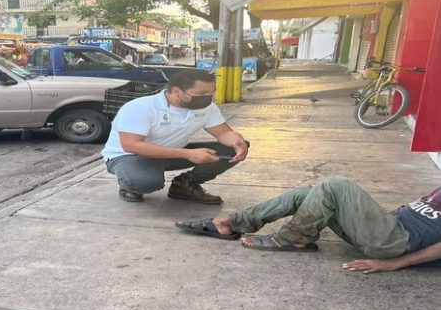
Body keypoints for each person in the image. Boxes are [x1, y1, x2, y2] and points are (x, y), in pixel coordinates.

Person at [176, 176, 441, 273]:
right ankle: (232, 223)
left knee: (335, 185)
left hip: (398, 242)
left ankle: (291, 237)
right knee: (310, 193)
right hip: (390, 228)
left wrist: (395, 263)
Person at [102, 71, 249, 203]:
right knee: (146, 182)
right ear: (176, 91)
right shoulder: (141, 107)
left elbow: (223, 132)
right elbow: (131, 145)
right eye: (202, 93)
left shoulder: (207, 108)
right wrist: (187, 154)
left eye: (212, 92)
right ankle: (130, 186)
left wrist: (237, 141)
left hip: (172, 152)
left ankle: (185, 184)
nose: (208, 97)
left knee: (231, 150)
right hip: (129, 156)